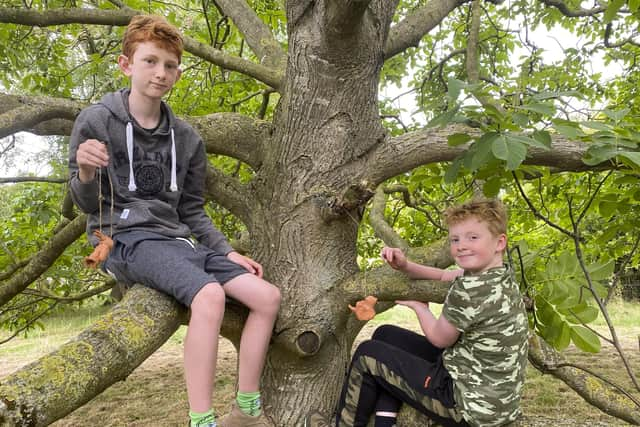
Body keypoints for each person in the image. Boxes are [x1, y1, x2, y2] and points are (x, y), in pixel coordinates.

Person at [68, 15, 281, 427]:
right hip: (124, 238)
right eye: (150, 62)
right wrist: (86, 171)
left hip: (178, 240)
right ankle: (202, 420)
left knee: (268, 297)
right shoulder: (96, 122)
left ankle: (246, 409)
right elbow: (86, 205)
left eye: (169, 66)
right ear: (126, 64)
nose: (160, 73)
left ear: (178, 73)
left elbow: (192, 210)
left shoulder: (187, 139)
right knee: (210, 296)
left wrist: (226, 251)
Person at [306, 199, 528, 427]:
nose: (461, 245)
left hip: (465, 405)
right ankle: (385, 419)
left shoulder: (470, 291)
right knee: (386, 335)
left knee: (367, 354)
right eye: (455, 239)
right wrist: (405, 265)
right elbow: (442, 276)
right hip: (485, 392)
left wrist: (420, 308)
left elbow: (439, 338)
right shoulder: (498, 275)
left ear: (500, 242)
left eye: (473, 237)